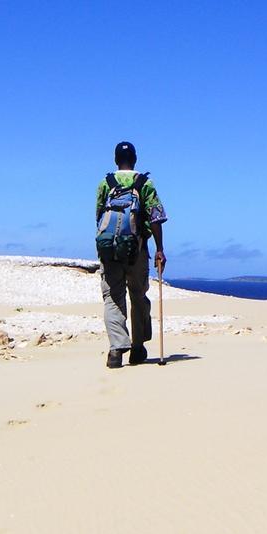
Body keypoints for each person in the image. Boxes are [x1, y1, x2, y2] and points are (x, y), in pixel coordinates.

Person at [95, 141, 168, 368]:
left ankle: (116, 350)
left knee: (112, 298)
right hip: (137, 249)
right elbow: (155, 218)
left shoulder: (105, 183)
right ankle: (137, 348)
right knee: (138, 296)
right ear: (135, 159)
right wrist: (159, 249)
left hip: (109, 250)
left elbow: (98, 216)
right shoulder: (145, 183)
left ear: (115, 160)